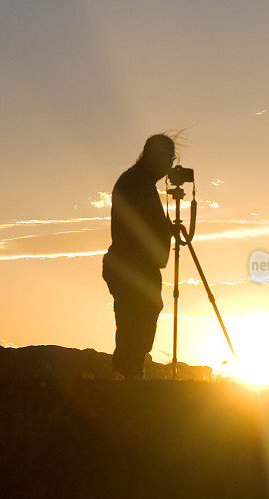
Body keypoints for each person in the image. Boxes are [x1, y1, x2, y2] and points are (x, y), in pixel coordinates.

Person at [102, 134, 175, 379]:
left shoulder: (139, 182)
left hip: (134, 264)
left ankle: (130, 378)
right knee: (134, 326)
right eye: (166, 157)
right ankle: (127, 379)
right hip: (131, 264)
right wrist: (165, 230)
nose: (169, 166)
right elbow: (140, 228)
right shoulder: (136, 183)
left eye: (171, 158)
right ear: (151, 155)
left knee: (138, 324)